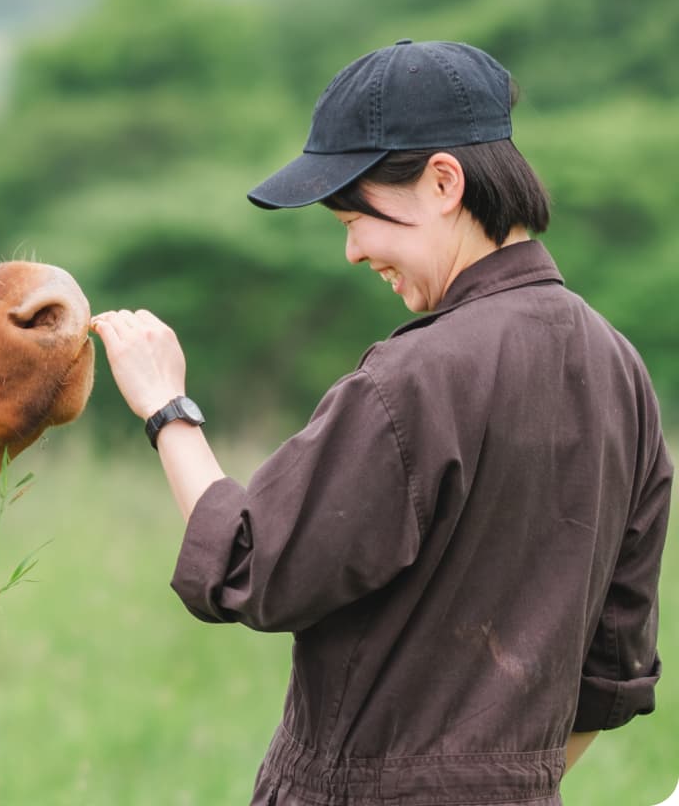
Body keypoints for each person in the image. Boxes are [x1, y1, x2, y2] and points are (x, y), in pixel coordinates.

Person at [90, 40, 673, 806]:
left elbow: (247, 564)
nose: (352, 251)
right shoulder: (622, 371)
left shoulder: (414, 378)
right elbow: (611, 677)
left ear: (442, 182)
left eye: (356, 217)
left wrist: (167, 408)